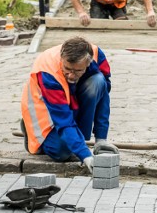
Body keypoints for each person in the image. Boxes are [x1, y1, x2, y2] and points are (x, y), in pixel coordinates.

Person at [20, 36, 119, 173]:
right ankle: (32, 133)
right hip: (47, 116)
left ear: (87, 63)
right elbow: (63, 120)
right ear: (62, 58)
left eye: (77, 71)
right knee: (63, 152)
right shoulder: (48, 73)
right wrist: (85, 155)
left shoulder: (96, 55)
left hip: (69, 105)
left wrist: (101, 138)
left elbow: (103, 97)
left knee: (98, 81)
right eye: (67, 69)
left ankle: (77, 140)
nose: (71, 75)